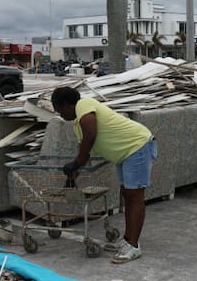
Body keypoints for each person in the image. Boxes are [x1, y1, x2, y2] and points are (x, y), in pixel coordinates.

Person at [51, 86, 157, 263]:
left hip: (137, 145)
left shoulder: (84, 104)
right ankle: (127, 240)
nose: (60, 115)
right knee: (127, 195)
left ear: (66, 104)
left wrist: (76, 163)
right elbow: (84, 152)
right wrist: (72, 176)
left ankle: (134, 246)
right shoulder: (78, 125)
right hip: (124, 154)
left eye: (59, 110)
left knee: (134, 195)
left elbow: (91, 134)